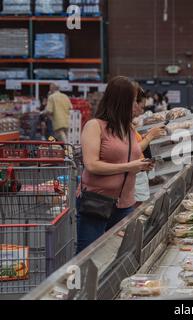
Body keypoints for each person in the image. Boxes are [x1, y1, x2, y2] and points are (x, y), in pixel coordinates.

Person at [76, 76, 155, 254]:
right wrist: (130, 166)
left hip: (125, 204)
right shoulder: (94, 126)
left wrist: (141, 165)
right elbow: (92, 165)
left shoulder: (126, 128)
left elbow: (129, 158)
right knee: (88, 255)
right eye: (134, 100)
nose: (137, 105)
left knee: (119, 254)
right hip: (96, 202)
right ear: (121, 100)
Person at [132, 83, 166, 207]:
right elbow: (133, 150)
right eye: (140, 107)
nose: (141, 112)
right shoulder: (121, 126)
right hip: (133, 178)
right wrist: (150, 136)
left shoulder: (130, 126)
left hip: (137, 174)